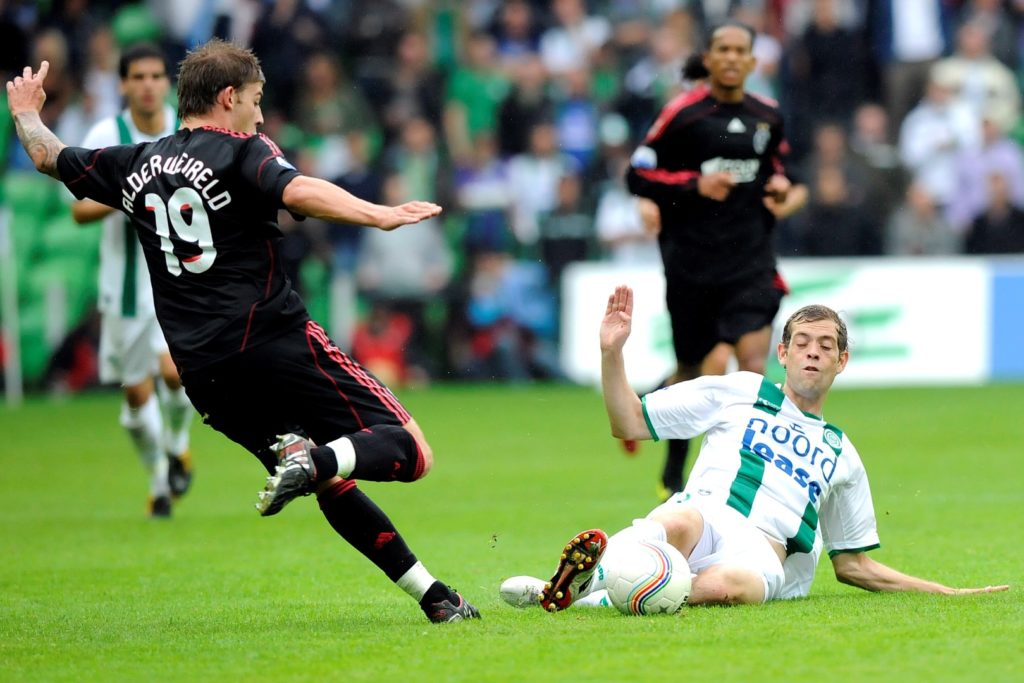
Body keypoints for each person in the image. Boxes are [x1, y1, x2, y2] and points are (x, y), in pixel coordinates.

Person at [7, 40, 480, 623]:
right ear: (229, 97)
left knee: (328, 480)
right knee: (411, 451)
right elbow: (297, 189)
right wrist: (377, 213)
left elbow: (49, 157)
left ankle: (435, 598)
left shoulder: (134, 162)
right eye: (255, 101)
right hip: (273, 340)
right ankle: (316, 460)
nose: (259, 115)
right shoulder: (242, 150)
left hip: (204, 373)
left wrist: (25, 112)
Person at [500, 286, 1009, 609]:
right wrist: (612, 353)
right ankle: (583, 581)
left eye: (826, 345)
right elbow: (628, 421)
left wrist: (946, 592)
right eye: (802, 342)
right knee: (677, 519)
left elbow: (853, 565)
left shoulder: (842, 454)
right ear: (782, 353)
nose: (813, 352)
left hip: (762, 554)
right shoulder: (740, 389)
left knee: (730, 587)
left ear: (842, 361)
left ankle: (591, 592)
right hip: (705, 516)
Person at [625, 22, 807, 499]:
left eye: (739, 50)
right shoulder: (681, 115)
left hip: (751, 261)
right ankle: (672, 466)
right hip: (692, 264)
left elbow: (785, 173)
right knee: (693, 374)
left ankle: (745, 484)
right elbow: (637, 174)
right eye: (722, 49)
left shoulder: (768, 116)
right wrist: (693, 185)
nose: (730, 57)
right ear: (707, 59)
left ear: (752, 61)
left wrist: (782, 189)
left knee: (750, 369)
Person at [69, 43, 194, 518]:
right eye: (138, 77)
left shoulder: (185, 131)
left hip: (176, 278)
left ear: (168, 83)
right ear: (123, 84)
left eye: (156, 76)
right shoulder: (107, 135)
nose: (148, 85)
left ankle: (178, 446)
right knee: (137, 395)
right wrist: (129, 190)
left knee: (174, 372)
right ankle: (159, 479)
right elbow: (79, 210)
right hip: (123, 286)